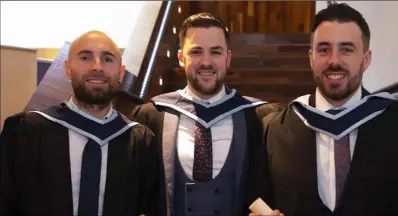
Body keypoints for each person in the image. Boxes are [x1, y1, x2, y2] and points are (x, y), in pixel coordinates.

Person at [131, 13, 283, 216]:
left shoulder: (260, 118)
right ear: (181, 58)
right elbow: (134, 190)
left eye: (215, 52)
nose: (206, 62)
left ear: (228, 58)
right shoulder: (152, 116)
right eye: (196, 52)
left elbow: (278, 188)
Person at [254, 3, 398, 216]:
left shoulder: (393, 122)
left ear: (365, 59)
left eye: (346, 49)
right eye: (324, 49)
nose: (334, 60)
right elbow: (260, 200)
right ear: (311, 58)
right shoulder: (275, 130)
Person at [0, 30, 165, 216]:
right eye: (85, 58)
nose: (97, 67)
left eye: (107, 59)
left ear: (121, 73)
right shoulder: (25, 132)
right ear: (68, 68)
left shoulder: (141, 142)